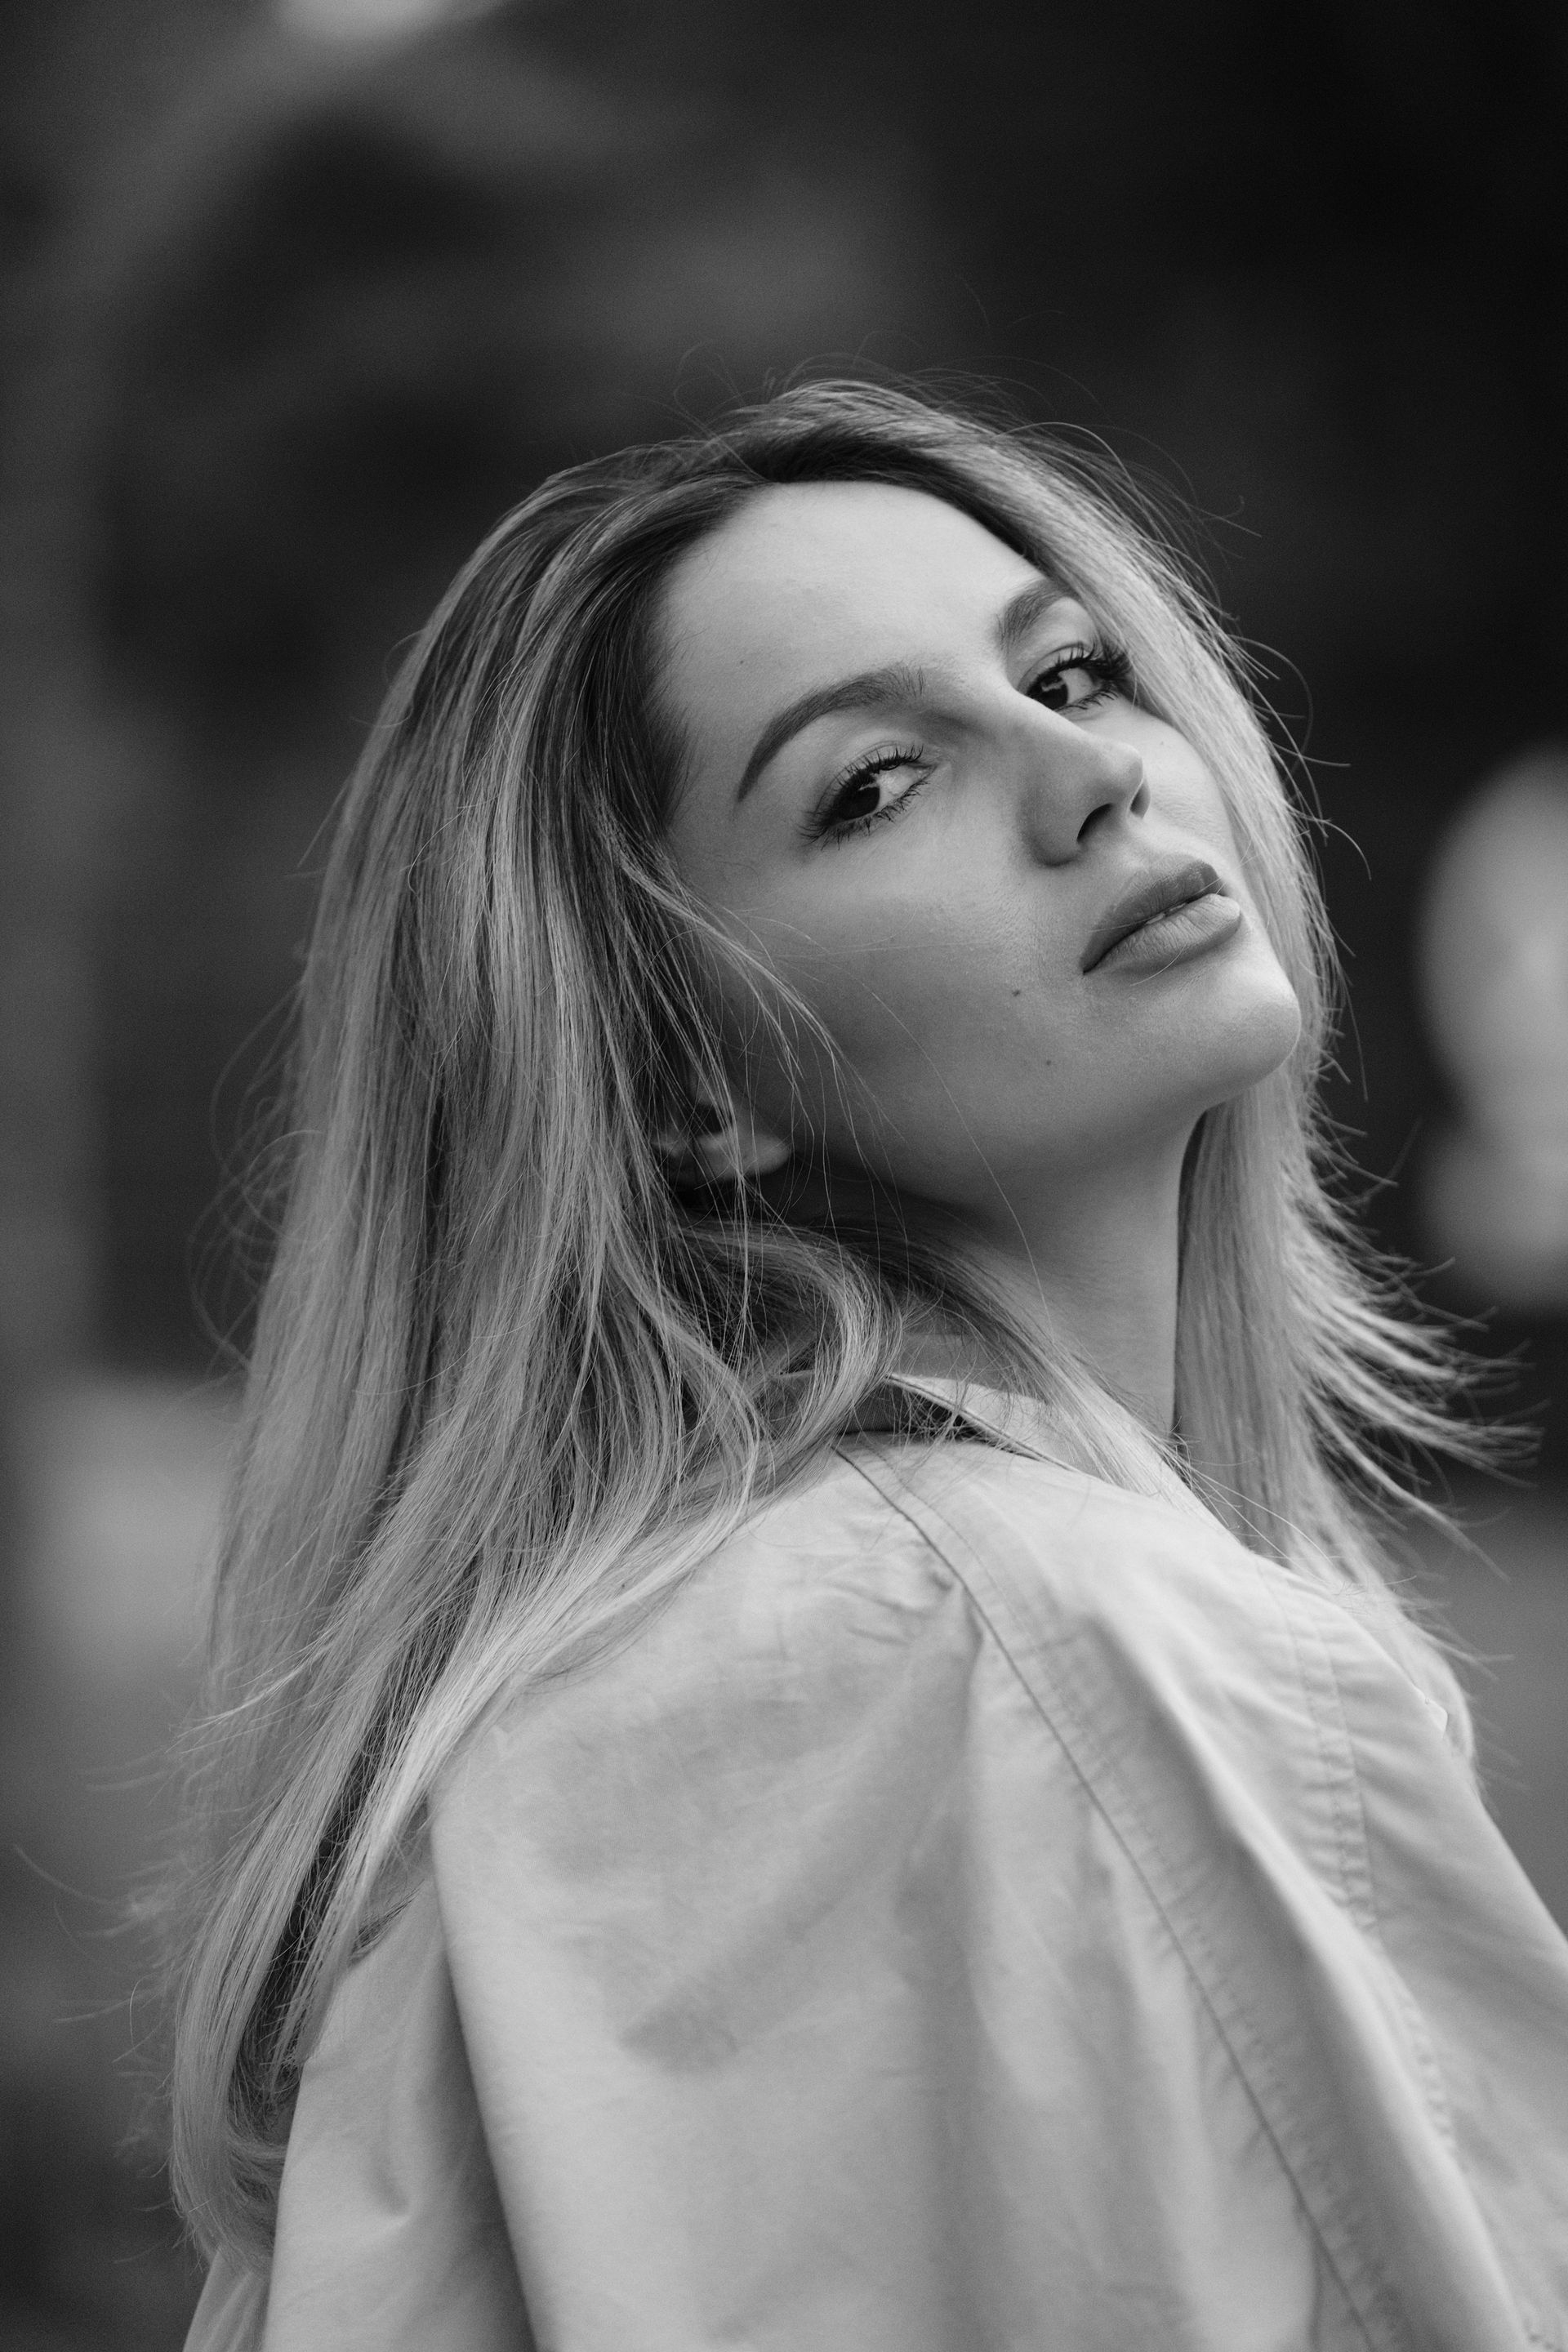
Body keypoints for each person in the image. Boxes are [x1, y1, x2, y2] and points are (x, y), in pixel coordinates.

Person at [170, 379, 1568, 2350]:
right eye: (878, 784)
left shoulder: (673, 1667)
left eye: (1073, 674)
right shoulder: (1038, 1654)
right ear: (691, 1084)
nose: (1088, 778)